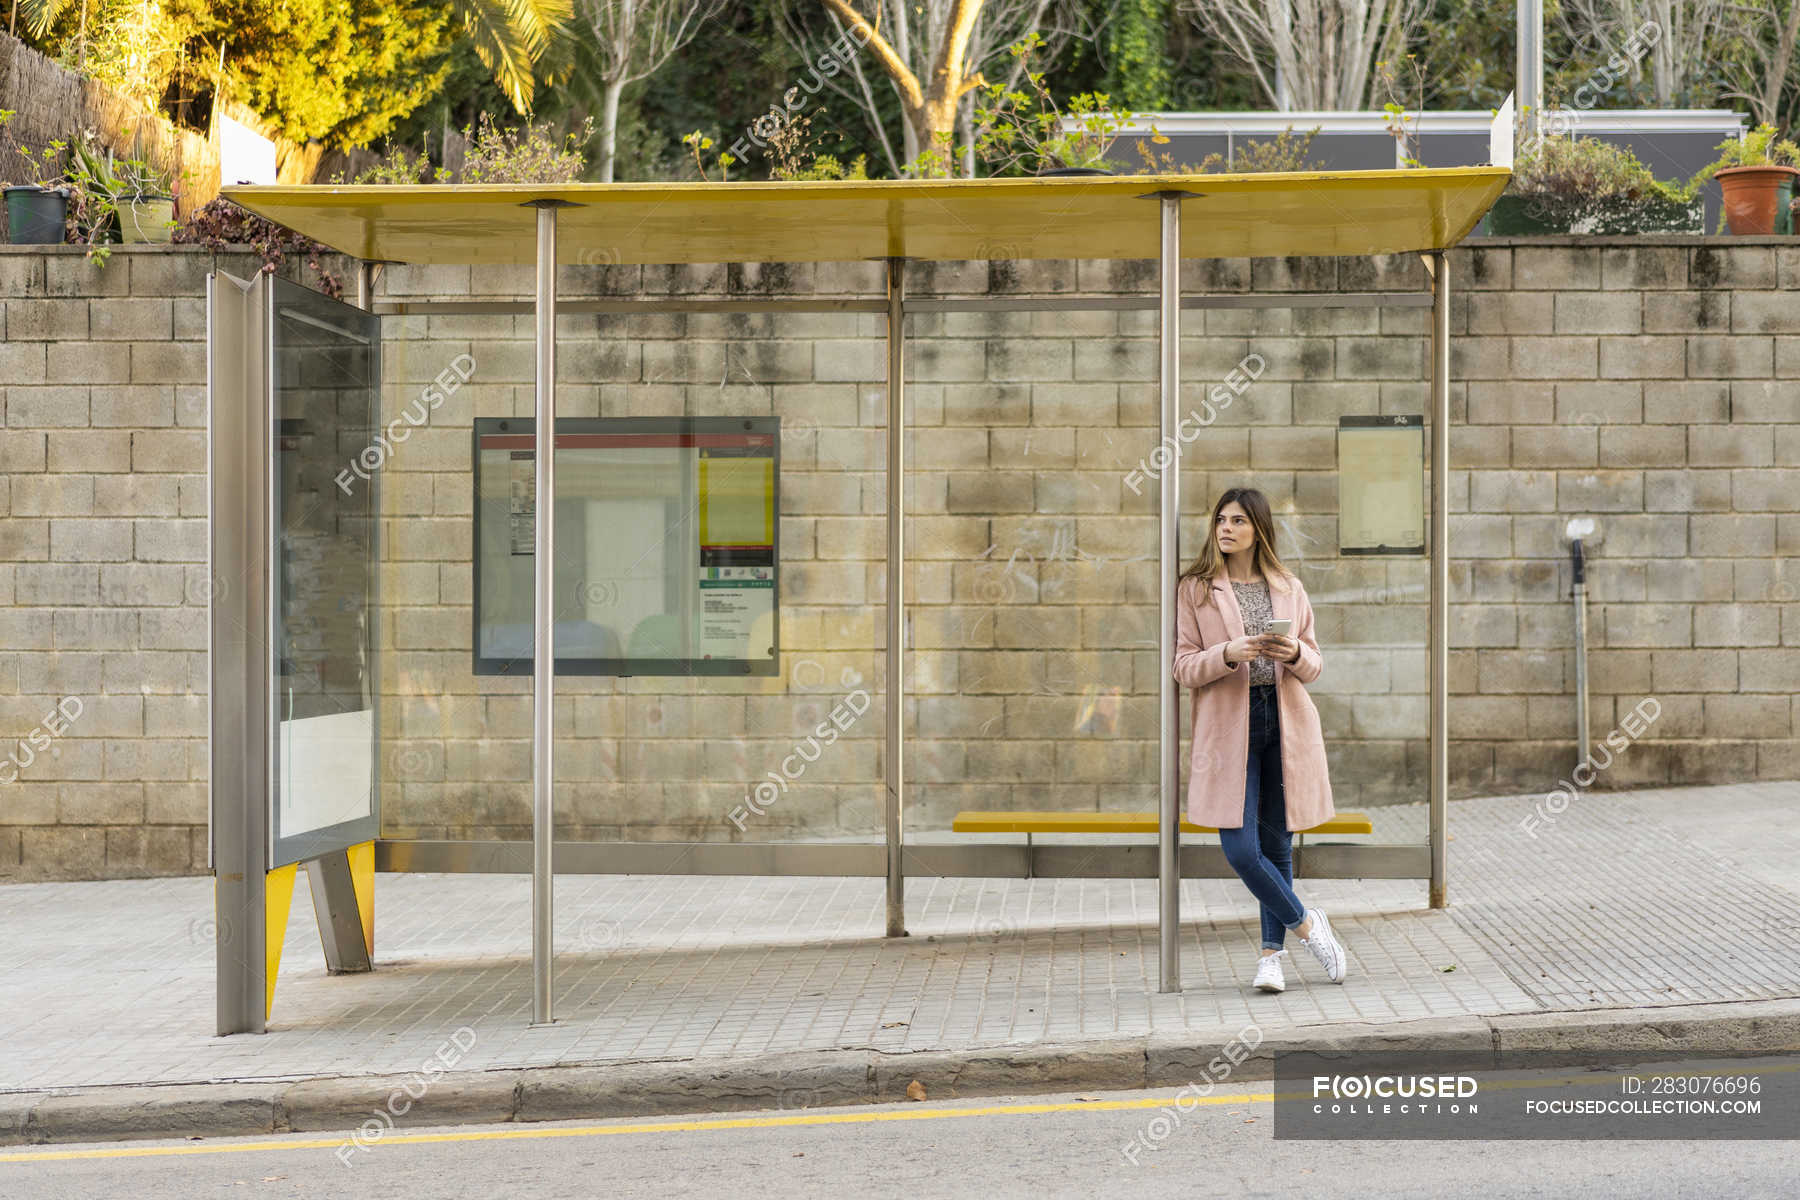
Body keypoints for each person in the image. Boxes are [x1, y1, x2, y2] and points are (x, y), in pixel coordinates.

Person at [1171, 486, 1348, 993]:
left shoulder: (1289, 586)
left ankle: (1272, 957)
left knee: (1276, 843)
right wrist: (1231, 651)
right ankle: (1310, 926)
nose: (1225, 528)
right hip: (1229, 726)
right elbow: (1183, 666)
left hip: (1285, 722)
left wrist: (1291, 651)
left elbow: (1314, 666)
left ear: (1258, 529)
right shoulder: (1196, 589)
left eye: (1238, 521)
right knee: (1242, 849)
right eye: (1221, 520)